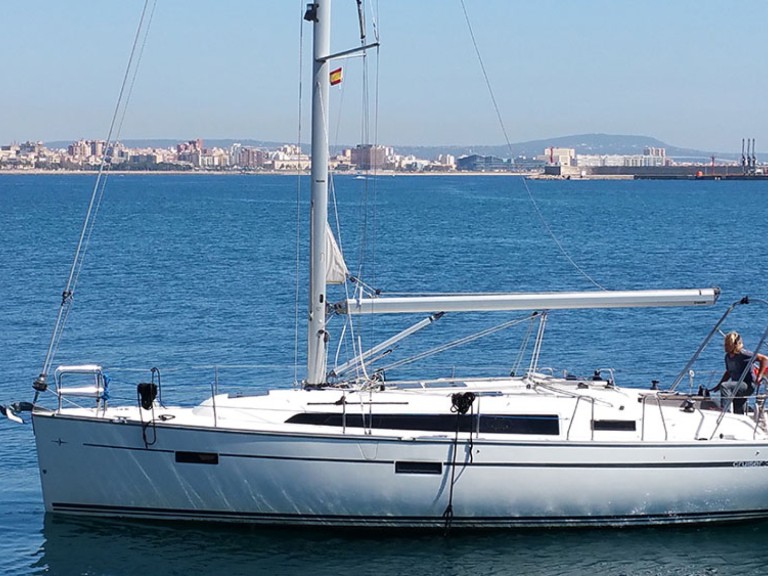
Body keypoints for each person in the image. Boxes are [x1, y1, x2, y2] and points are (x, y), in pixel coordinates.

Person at [714, 332, 768, 414]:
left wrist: (759, 376)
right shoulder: (727, 357)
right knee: (737, 408)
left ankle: (725, 411)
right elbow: (728, 372)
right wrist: (718, 385)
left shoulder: (743, 354)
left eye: (727, 344)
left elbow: (763, 359)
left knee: (725, 386)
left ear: (733, 345)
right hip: (737, 385)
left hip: (747, 384)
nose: (724, 346)